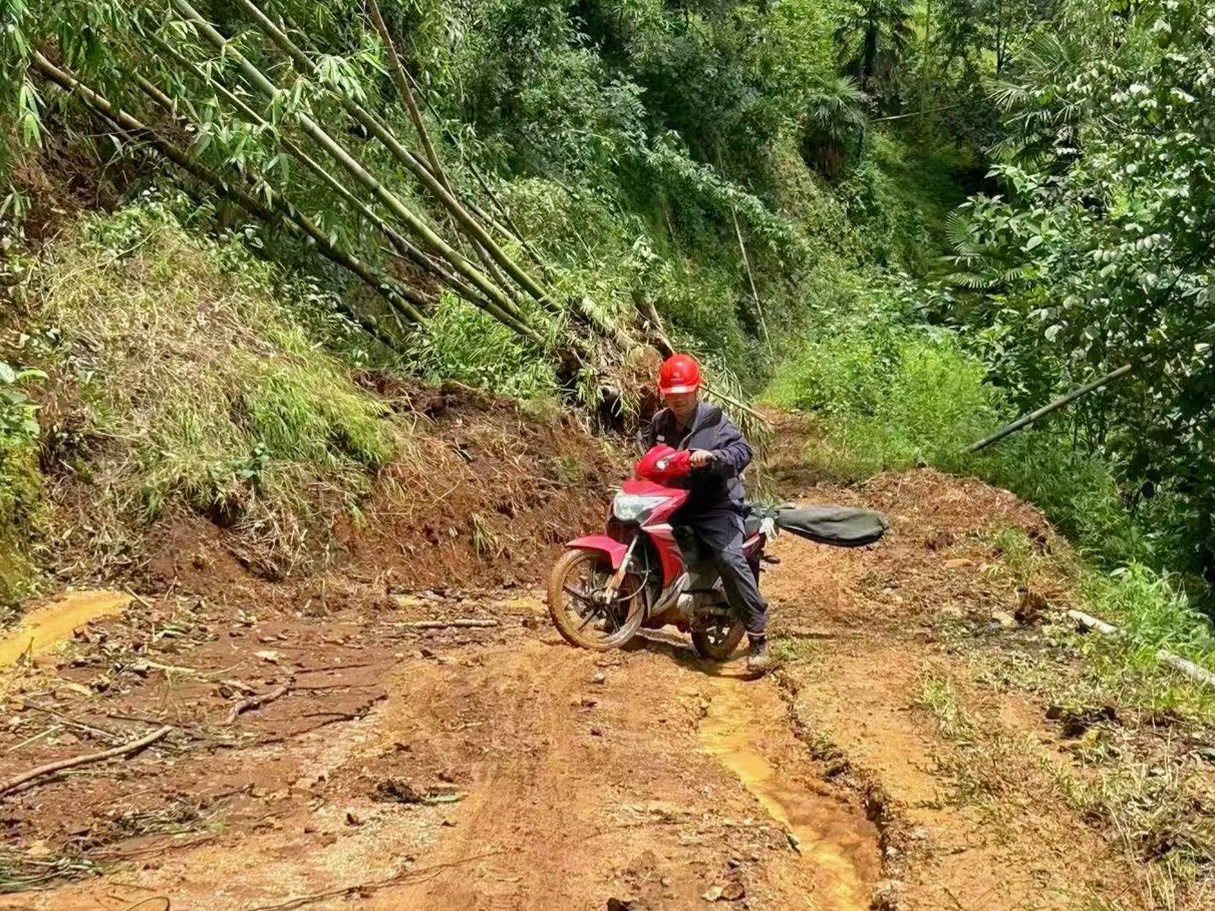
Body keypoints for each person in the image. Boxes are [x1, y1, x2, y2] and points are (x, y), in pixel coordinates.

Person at [639, 353, 772, 672]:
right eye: (671, 395)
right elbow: (650, 456)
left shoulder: (715, 421)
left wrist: (713, 457)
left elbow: (742, 452)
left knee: (728, 557)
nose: (677, 400)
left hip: (715, 504)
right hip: (673, 500)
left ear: (696, 391)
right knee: (641, 536)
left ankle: (758, 635)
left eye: (683, 394)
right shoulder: (660, 422)